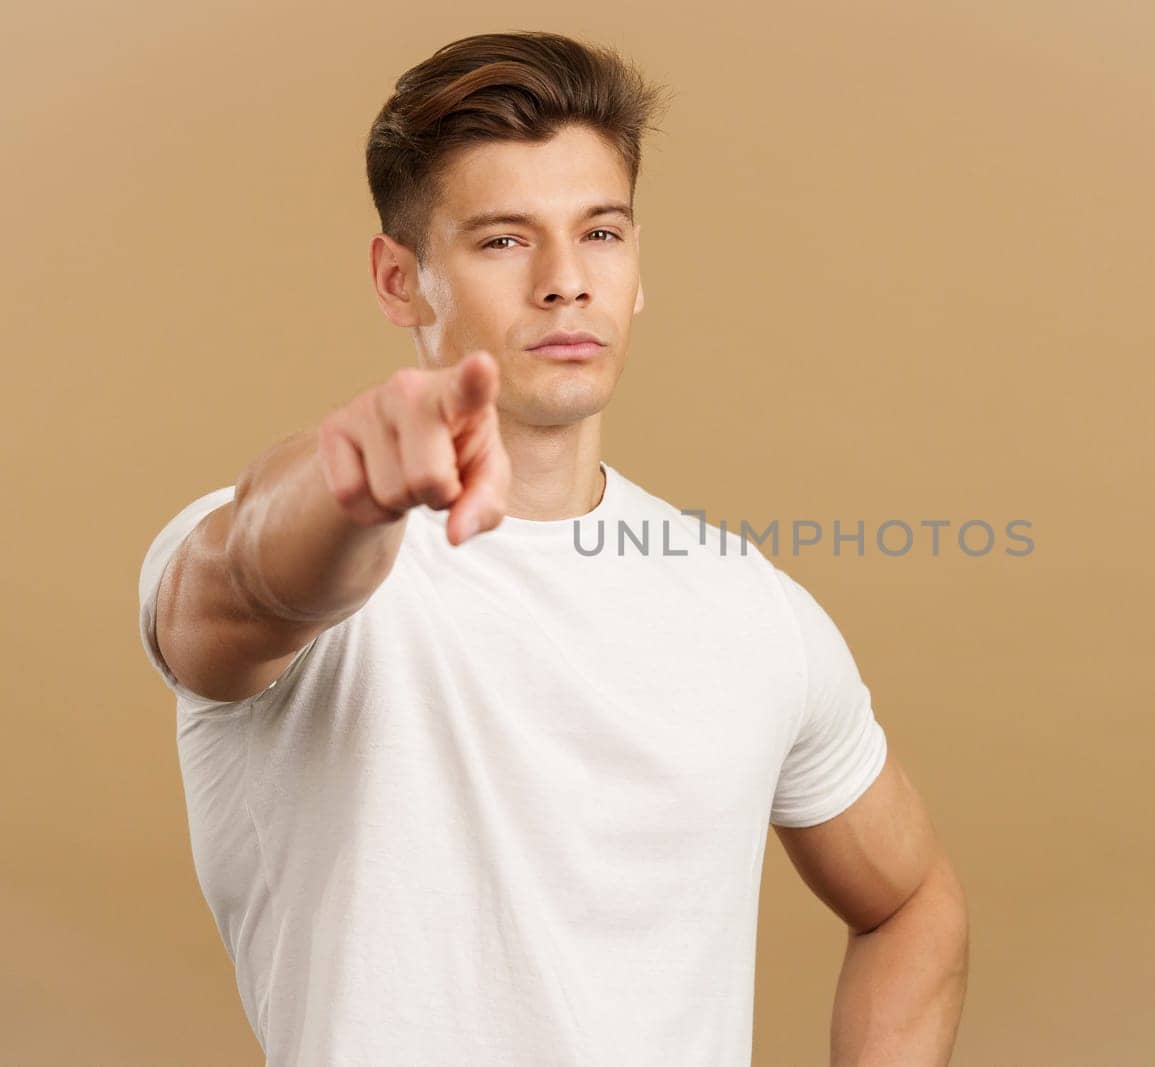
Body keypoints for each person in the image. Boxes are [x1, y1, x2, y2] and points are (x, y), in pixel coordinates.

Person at [136, 30, 968, 1066]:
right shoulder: (303, 549)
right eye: (502, 240)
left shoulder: (752, 607)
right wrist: (353, 488)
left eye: (602, 233)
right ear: (401, 281)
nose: (566, 280)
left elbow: (909, 901)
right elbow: (255, 577)